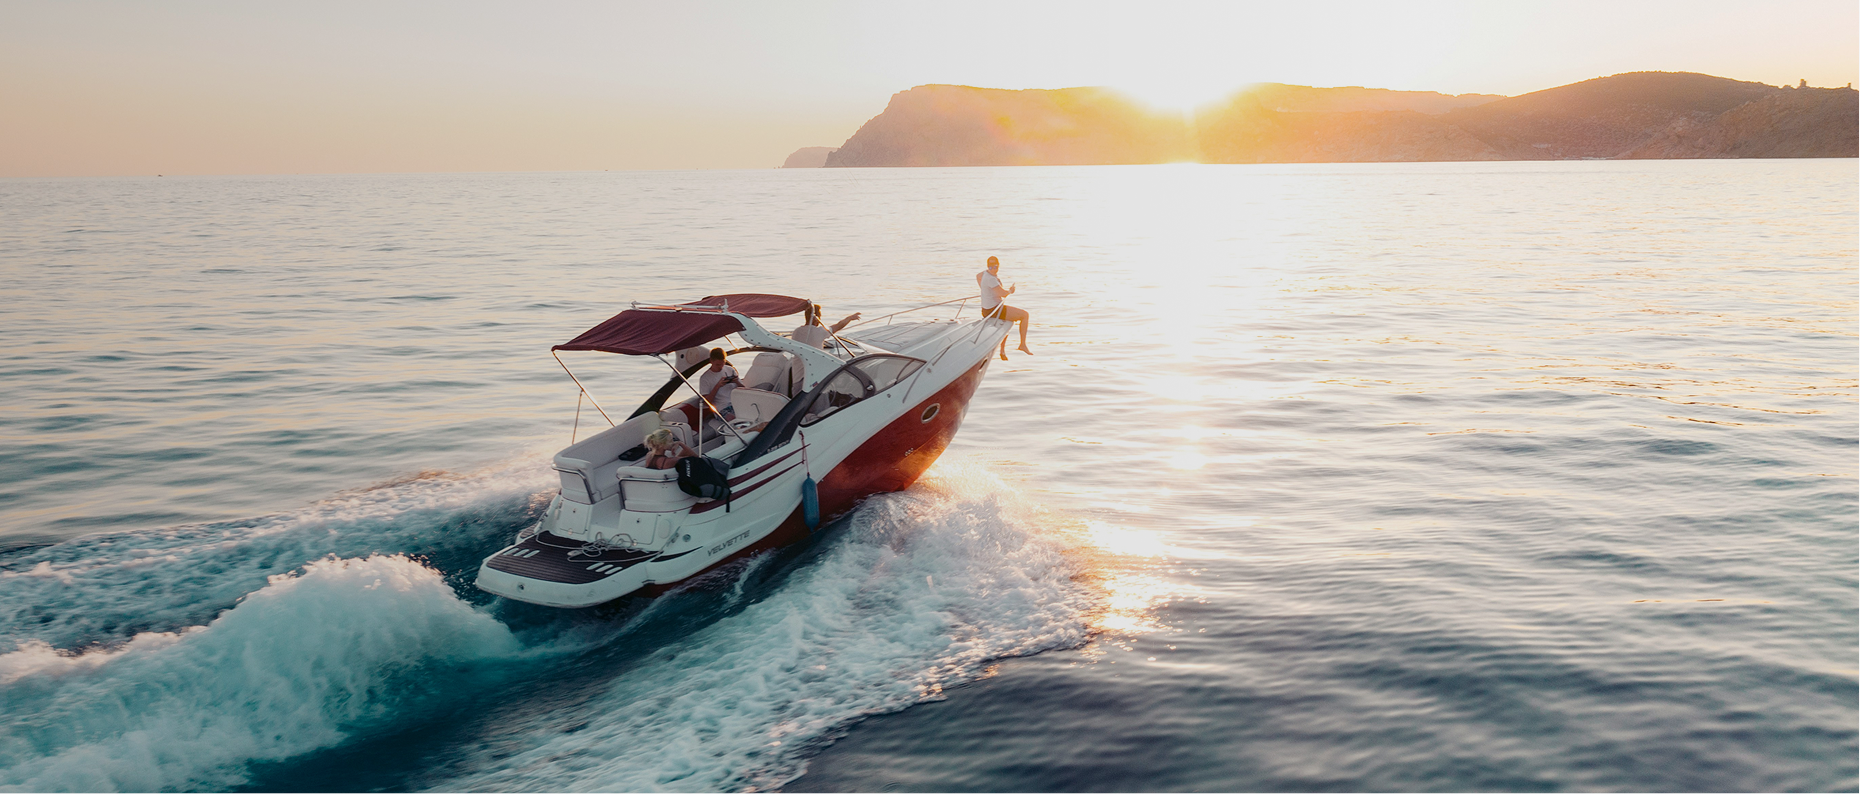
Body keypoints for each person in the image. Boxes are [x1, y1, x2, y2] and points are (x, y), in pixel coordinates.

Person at [978, 255, 1032, 360]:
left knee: (1007, 321)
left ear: (998, 266)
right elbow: (1003, 294)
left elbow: (977, 276)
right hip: (994, 310)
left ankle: (1002, 351)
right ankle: (1023, 344)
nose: (993, 269)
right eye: (991, 267)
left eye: (995, 267)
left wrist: (984, 290)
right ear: (987, 266)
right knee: (1025, 315)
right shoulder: (991, 280)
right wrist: (1011, 290)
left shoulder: (984, 274)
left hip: (986, 310)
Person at [791, 303, 861, 349]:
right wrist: (849, 318)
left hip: (796, 369)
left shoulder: (796, 331)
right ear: (816, 318)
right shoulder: (819, 331)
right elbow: (838, 326)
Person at [696, 348, 740, 421]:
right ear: (711, 361)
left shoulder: (730, 370)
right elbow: (707, 403)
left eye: (723, 363)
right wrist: (718, 386)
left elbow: (744, 389)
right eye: (717, 365)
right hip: (722, 408)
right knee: (733, 418)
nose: (721, 367)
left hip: (736, 403)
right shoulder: (704, 378)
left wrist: (737, 382)